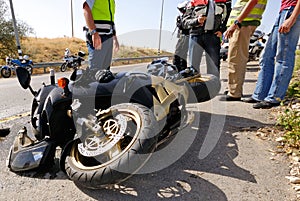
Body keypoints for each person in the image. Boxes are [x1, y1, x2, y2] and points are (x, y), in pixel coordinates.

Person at [244, 0, 300, 109]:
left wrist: (292, 18)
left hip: (291, 11)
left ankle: (274, 97)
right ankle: (260, 94)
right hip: (283, 11)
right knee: (266, 56)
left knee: (284, 56)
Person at [221, 0, 268, 101]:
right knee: (235, 57)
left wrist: (237, 22)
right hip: (243, 23)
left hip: (243, 24)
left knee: (236, 59)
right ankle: (233, 88)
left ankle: (234, 92)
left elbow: (253, 1)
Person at [182, 0, 231, 77]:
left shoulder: (224, 1)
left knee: (214, 68)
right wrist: (196, 21)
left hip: (213, 36)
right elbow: (185, 21)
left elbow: (229, 17)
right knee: (193, 69)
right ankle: (195, 88)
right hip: (196, 36)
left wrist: (222, 30)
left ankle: (213, 88)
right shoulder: (193, 1)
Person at [82, 0, 119, 71]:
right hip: (98, 36)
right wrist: (94, 32)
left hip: (108, 37)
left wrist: (114, 37)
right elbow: (86, 9)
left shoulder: (112, 1)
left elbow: (111, 20)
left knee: (105, 72)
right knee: (95, 71)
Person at [173, 0, 191, 72]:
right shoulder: (182, 16)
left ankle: (178, 70)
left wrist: (180, 24)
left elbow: (186, 26)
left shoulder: (189, 15)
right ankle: (181, 70)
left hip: (186, 36)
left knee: (179, 54)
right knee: (181, 55)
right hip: (183, 36)